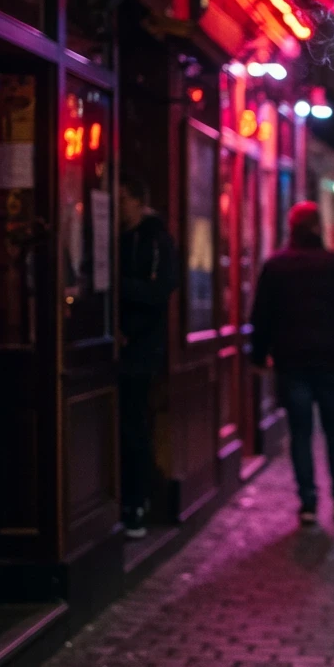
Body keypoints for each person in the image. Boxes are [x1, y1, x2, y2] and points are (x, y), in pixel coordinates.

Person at [250, 201, 334, 525]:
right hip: (333, 360)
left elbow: (261, 316)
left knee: (300, 433)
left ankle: (307, 503)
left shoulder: (276, 266)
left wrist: (258, 356)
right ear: (319, 228)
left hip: (292, 362)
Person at [118, 174, 178, 539]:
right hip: (121, 348)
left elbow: (160, 291)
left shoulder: (155, 239)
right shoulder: (116, 236)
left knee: (135, 426)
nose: (118, 205)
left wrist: (116, 286)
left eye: (123, 198)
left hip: (142, 349)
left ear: (139, 201)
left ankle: (136, 503)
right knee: (126, 425)